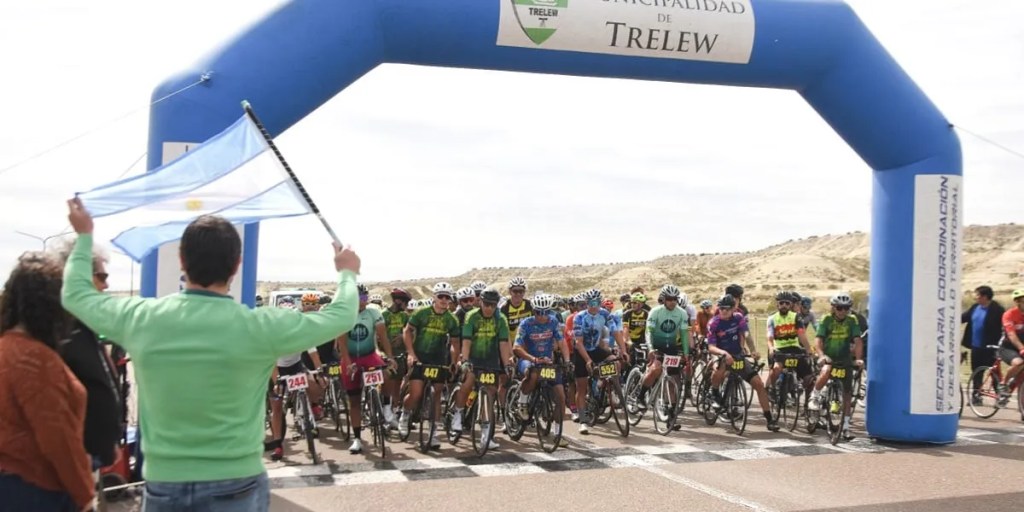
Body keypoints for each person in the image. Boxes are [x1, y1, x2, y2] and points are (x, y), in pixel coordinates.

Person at [61, 198, 361, 512]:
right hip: (237, 483)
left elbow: (75, 294)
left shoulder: (141, 319)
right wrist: (346, 274)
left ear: (181, 260)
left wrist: (84, 237)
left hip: (165, 485)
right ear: (236, 265)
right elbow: (340, 316)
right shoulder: (259, 326)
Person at [0, 251, 95, 512]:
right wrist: (86, 496)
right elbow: (57, 438)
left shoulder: (6, 348)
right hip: (35, 489)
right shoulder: (35, 360)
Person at [51, 239, 124, 473]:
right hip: (71, 461)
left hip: (90, 456)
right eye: (101, 276)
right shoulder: (57, 331)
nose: (106, 285)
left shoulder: (81, 325)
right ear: (76, 277)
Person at [398, 282, 460, 448]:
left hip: (439, 359)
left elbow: (455, 342)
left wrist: (454, 361)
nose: (444, 300)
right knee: (416, 393)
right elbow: (407, 331)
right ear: (434, 297)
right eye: (441, 296)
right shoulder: (422, 313)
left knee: (436, 397)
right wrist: (411, 354)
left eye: (448, 297)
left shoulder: (451, 319)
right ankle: (405, 415)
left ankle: (433, 433)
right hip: (419, 356)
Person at [706, 294, 779, 432]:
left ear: (734, 309)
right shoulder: (714, 323)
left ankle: (770, 419)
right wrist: (724, 354)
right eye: (721, 308)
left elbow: (746, 335)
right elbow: (711, 347)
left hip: (738, 356)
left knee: (758, 384)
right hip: (720, 354)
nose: (723, 311)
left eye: (727, 309)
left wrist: (753, 350)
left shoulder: (738, 318)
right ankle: (714, 392)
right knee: (718, 367)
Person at [451, 287, 512, 449]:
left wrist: (507, 364)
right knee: (468, 383)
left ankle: (486, 436)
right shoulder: (471, 316)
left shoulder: (501, 319)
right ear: (480, 302)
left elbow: (504, 343)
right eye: (486, 304)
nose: (489, 308)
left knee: (490, 396)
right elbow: (466, 341)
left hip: (491, 360)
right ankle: (457, 413)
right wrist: (464, 360)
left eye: (493, 305)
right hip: (473, 358)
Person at [338, 284, 392, 454]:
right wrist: (348, 362)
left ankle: (384, 408)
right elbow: (342, 344)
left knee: (388, 373)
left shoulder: (374, 313)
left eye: (363, 299)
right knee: (354, 401)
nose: (360, 302)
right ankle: (357, 439)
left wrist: (389, 357)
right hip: (351, 357)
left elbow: (383, 337)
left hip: (369, 355)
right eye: (356, 299)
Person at [808, 293, 863, 441]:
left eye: (846, 308)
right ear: (833, 308)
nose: (843, 311)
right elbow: (818, 340)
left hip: (844, 359)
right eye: (839, 308)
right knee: (826, 370)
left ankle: (845, 428)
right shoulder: (826, 319)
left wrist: (858, 359)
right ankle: (815, 396)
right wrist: (821, 356)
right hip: (828, 356)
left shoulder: (852, 320)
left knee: (847, 394)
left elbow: (857, 341)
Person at [960, 285, 1005, 404]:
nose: (976, 298)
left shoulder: (998, 310)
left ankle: (999, 397)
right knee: (976, 372)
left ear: (985, 297)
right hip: (976, 347)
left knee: (994, 373)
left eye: (978, 295)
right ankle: (976, 397)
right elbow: (963, 318)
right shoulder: (975, 307)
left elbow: (1005, 328)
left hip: (991, 347)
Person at [997, 289, 1024, 405]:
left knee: (1021, 376)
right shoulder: (1009, 315)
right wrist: (1022, 348)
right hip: (1008, 347)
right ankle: (1003, 384)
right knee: (1018, 363)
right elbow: (1011, 334)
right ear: (1017, 302)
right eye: (1022, 301)